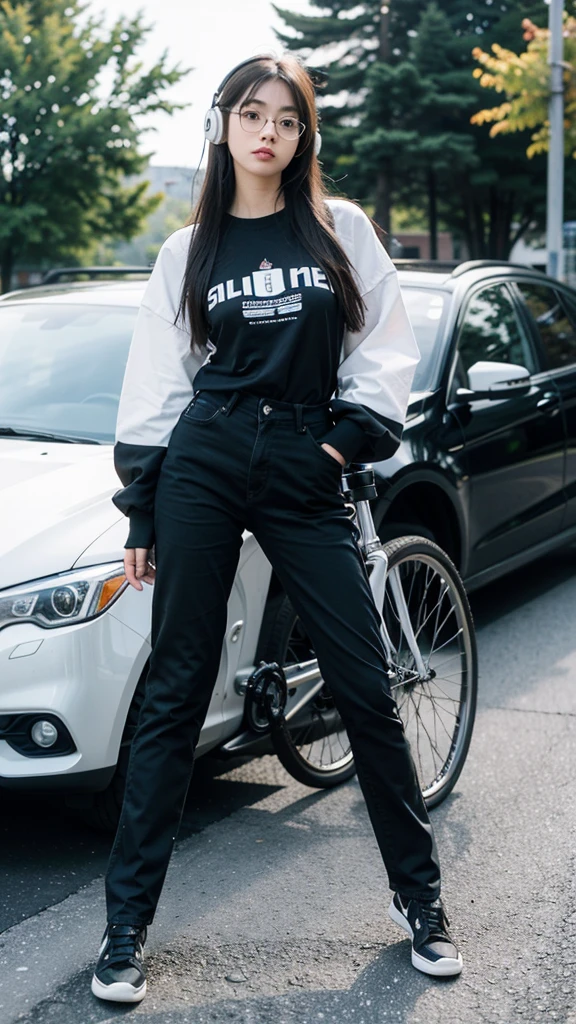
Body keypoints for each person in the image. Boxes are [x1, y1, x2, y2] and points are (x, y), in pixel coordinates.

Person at [91, 53, 462, 1005]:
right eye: (252, 115)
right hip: (204, 465)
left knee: (365, 684)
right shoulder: (190, 249)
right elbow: (158, 380)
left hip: (305, 465)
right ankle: (126, 926)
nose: (268, 133)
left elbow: (385, 346)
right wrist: (143, 502)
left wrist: (339, 450)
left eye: (287, 120)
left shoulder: (340, 230)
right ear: (223, 126)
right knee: (174, 691)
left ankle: (419, 902)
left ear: (304, 137)